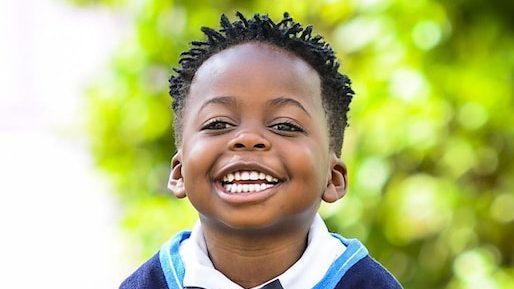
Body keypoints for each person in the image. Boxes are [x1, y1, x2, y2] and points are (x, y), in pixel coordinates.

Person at [120, 11, 403, 289]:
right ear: (179, 173)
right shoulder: (148, 284)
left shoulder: (366, 283)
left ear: (333, 178)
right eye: (218, 123)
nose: (248, 138)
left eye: (285, 126)